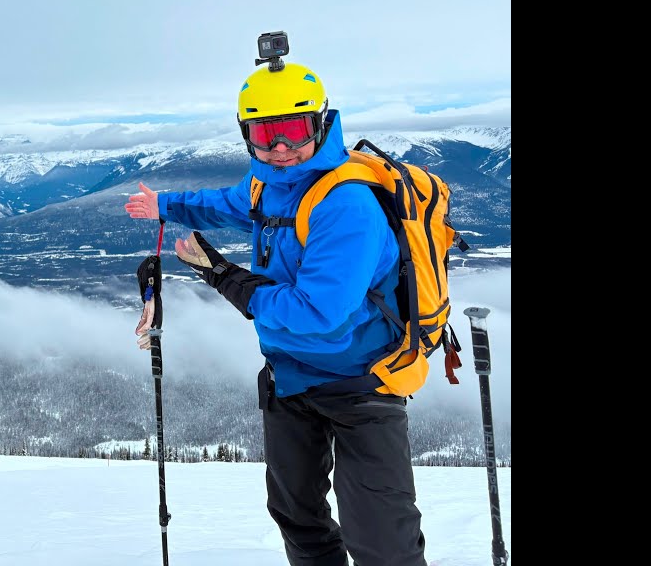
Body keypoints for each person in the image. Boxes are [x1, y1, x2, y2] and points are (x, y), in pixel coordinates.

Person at [124, 60, 426, 566]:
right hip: (289, 377)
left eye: (291, 130)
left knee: (381, 539)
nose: (279, 148)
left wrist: (225, 276)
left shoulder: (346, 205)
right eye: (265, 134)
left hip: (361, 382)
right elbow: (228, 203)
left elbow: (316, 313)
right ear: (248, 137)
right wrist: (167, 206)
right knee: (297, 517)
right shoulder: (271, 184)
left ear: (320, 124)